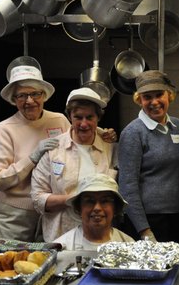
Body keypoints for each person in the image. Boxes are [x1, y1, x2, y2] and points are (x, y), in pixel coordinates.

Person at [0, 64, 116, 242]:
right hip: (16, 213)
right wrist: (32, 158)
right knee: (12, 260)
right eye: (22, 95)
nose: (29, 101)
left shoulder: (57, 119)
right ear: (13, 99)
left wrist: (103, 133)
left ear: (43, 95)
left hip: (52, 213)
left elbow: (78, 131)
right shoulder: (5, 129)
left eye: (35, 94)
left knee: (45, 260)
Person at [31, 87, 117, 242]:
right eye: (78, 117)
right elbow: (37, 199)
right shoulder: (54, 150)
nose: (84, 124)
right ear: (70, 117)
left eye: (89, 117)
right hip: (60, 237)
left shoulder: (109, 148)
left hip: (101, 238)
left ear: (98, 118)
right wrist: (73, 200)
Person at [118, 70, 179, 247]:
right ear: (139, 100)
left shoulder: (178, 127)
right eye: (147, 97)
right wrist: (144, 230)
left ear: (169, 96)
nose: (154, 102)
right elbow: (127, 187)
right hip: (149, 221)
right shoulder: (133, 133)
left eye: (159, 95)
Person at [54, 173, 134, 250]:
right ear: (79, 208)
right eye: (90, 201)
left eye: (105, 201)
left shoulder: (129, 245)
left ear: (115, 207)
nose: (97, 208)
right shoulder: (62, 248)